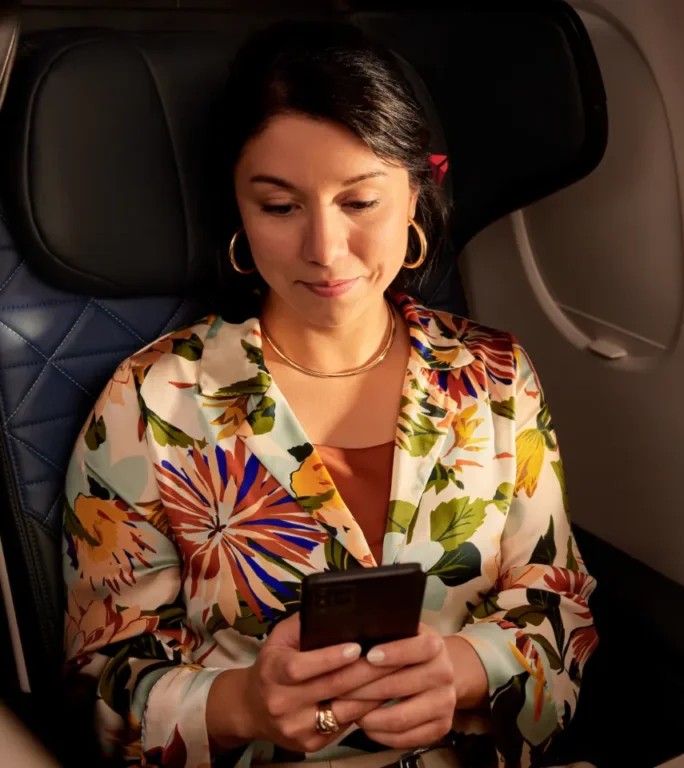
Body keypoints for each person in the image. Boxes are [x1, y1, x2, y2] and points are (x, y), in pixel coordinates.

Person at [60, 20, 597, 768]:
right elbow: (102, 684)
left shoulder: (496, 378)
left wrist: (468, 671)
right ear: (240, 214)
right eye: (281, 207)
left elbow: (558, 609)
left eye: (360, 202)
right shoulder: (153, 405)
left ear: (416, 194)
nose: (325, 250)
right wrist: (244, 703)